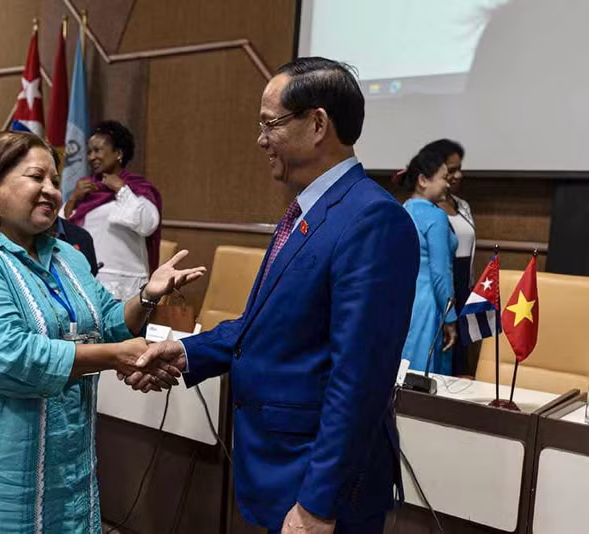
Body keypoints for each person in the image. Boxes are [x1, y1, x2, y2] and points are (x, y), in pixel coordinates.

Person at [131, 57, 420, 534]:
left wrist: (318, 505)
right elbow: (262, 327)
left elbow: (360, 379)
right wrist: (185, 351)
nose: (260, 139)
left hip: (320, 485)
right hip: (281, 468)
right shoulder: (307, 212)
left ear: (317, 124)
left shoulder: (372, 220)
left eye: (270, 124)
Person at [0, 131, 204, 533]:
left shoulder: (67, 255)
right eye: (37, 177)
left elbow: (108, 323)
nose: (51, 190)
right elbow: (10, 358)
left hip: (67, 461)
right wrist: (113, 357)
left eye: (55, 181)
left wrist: (148, 296)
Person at [62, 120, 162, 300]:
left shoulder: (137, 188)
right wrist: (74, 198)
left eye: (98, 150)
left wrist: (122, 189)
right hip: (86, 279)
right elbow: (60, 229)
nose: (91, 157)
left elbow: (147, 224)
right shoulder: (86, 189)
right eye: (89, 151)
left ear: (119, 153)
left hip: (125, 285)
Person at [395, 147, 458, 375]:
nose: (448, 184)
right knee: (426, 380)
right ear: (423, 180)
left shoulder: (400, 211)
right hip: (429, 305)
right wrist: (450, 318)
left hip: (401, 304)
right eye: (443, 178)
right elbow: (440, 273)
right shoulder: (435, 216)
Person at [428, 139, 475, 376]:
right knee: (443, 351)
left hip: (464, 284)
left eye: (460, 168)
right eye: (452, 169)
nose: (458, 175)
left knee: (462, 359)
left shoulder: (463, 205)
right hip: (442, 285)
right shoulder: (427, 208)